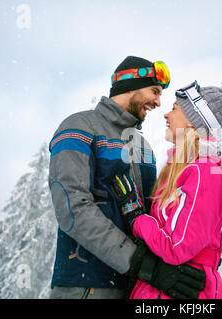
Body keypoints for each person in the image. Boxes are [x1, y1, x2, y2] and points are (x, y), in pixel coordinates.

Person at [48, 56, 206, 299]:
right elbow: (72, 208)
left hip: (135, 288)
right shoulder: (79, 127)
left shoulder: (142, 147)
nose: (158, 101)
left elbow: (154, 213)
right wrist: (141, 264)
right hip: (86, 287)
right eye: (154, 91)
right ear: (130, 84)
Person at [111, 75, 222, 298]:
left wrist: (136, 216)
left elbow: (176, 247)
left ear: (192, 121)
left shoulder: (205, 172)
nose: (167, 114)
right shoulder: (184, 170)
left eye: (175, 108)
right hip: (166, 288)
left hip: (183, 291)